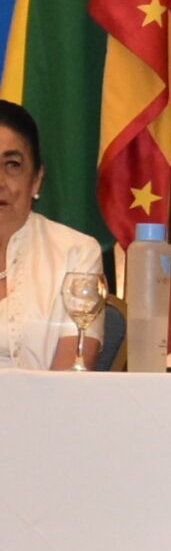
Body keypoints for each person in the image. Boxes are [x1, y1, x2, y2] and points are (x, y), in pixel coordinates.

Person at [0, 100, 104, 370]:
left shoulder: (76, 253)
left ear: (36, 178)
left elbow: (71, 377)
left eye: (12, 164)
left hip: (40, 410)